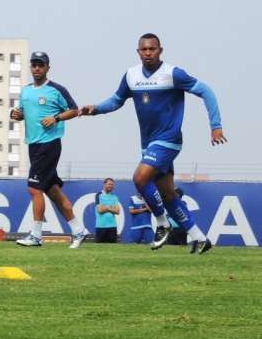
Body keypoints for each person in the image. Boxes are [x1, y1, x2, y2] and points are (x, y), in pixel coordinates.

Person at [80, 33, 225, 254]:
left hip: (169, 139)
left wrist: (215, 126)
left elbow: (206, 91)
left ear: (160, 50)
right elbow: (117, 100)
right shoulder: (131, 75)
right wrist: (96, 108)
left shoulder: (173, 74)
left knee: (139, 178)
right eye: (144, 50)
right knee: (168, 195)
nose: (148, 53)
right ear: (138, 52)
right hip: (148, 143)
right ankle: (199, 237)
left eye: (152, 49)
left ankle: (162, 224)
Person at [10, 51, 88, 249]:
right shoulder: (26, 91)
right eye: (34, 65)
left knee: (34, 188)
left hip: (49, 144)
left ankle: (36, 235)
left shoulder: (56, 90)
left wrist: (56, 118)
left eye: (40, 65)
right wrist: (16, 114)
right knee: (53, 191)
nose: (37, 68)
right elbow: (21, 112)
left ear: (47, 68)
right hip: (33, 144)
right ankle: (79, 230)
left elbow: (74, 109)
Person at [94, 178, 121, 243]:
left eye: (112, 185)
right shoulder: (98, 195)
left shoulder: (114, 197)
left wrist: (106, 207)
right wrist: (111, 208)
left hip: (112, 226)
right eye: (109, 184)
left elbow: (117, 211)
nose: (111, 186)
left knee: (113, 248)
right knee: (99, 248)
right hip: (101, 226)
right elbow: (100, 210)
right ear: (104, 184)